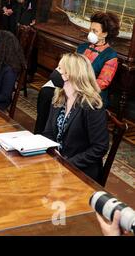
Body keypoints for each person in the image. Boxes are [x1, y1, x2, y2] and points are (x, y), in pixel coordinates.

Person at [34, 12, 120, 134]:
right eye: (90, 29)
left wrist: (79, 88)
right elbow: (69, 67)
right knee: (46, 93)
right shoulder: (82, 47)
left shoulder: (110, 56)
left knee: (56, 97)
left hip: (90, 92)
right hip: (71, 85)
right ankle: (41, 133)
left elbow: (102, 83)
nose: (91, 33)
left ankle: (59, 133)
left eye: (95, 31)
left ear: (105, 34)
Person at [42, 53, 109, 181]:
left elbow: (100, 147)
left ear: (71, 74)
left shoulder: (91, 105)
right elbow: (48, 132)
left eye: (60, 68)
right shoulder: (59, 97)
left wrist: (67, 164)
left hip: (80, 169)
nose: (56, 71)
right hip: (57, 163)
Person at [17, 0, 53, 82]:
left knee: (32, 45)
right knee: (20, 43)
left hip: (36, 16)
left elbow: (47, 3)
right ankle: (19, 69)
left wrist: (38, 19)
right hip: (23, 13)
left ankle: (29, 73)